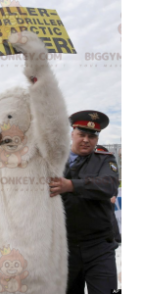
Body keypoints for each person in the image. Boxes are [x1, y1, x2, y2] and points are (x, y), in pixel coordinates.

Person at [49, 110, 120, 294]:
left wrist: (71, 185)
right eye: (82, 134)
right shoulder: (54, 162)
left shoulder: (105, 160)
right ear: (72, 134)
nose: (86, 140)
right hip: (65, 247)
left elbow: (109, 185)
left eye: (91, 136)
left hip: (99, 247)